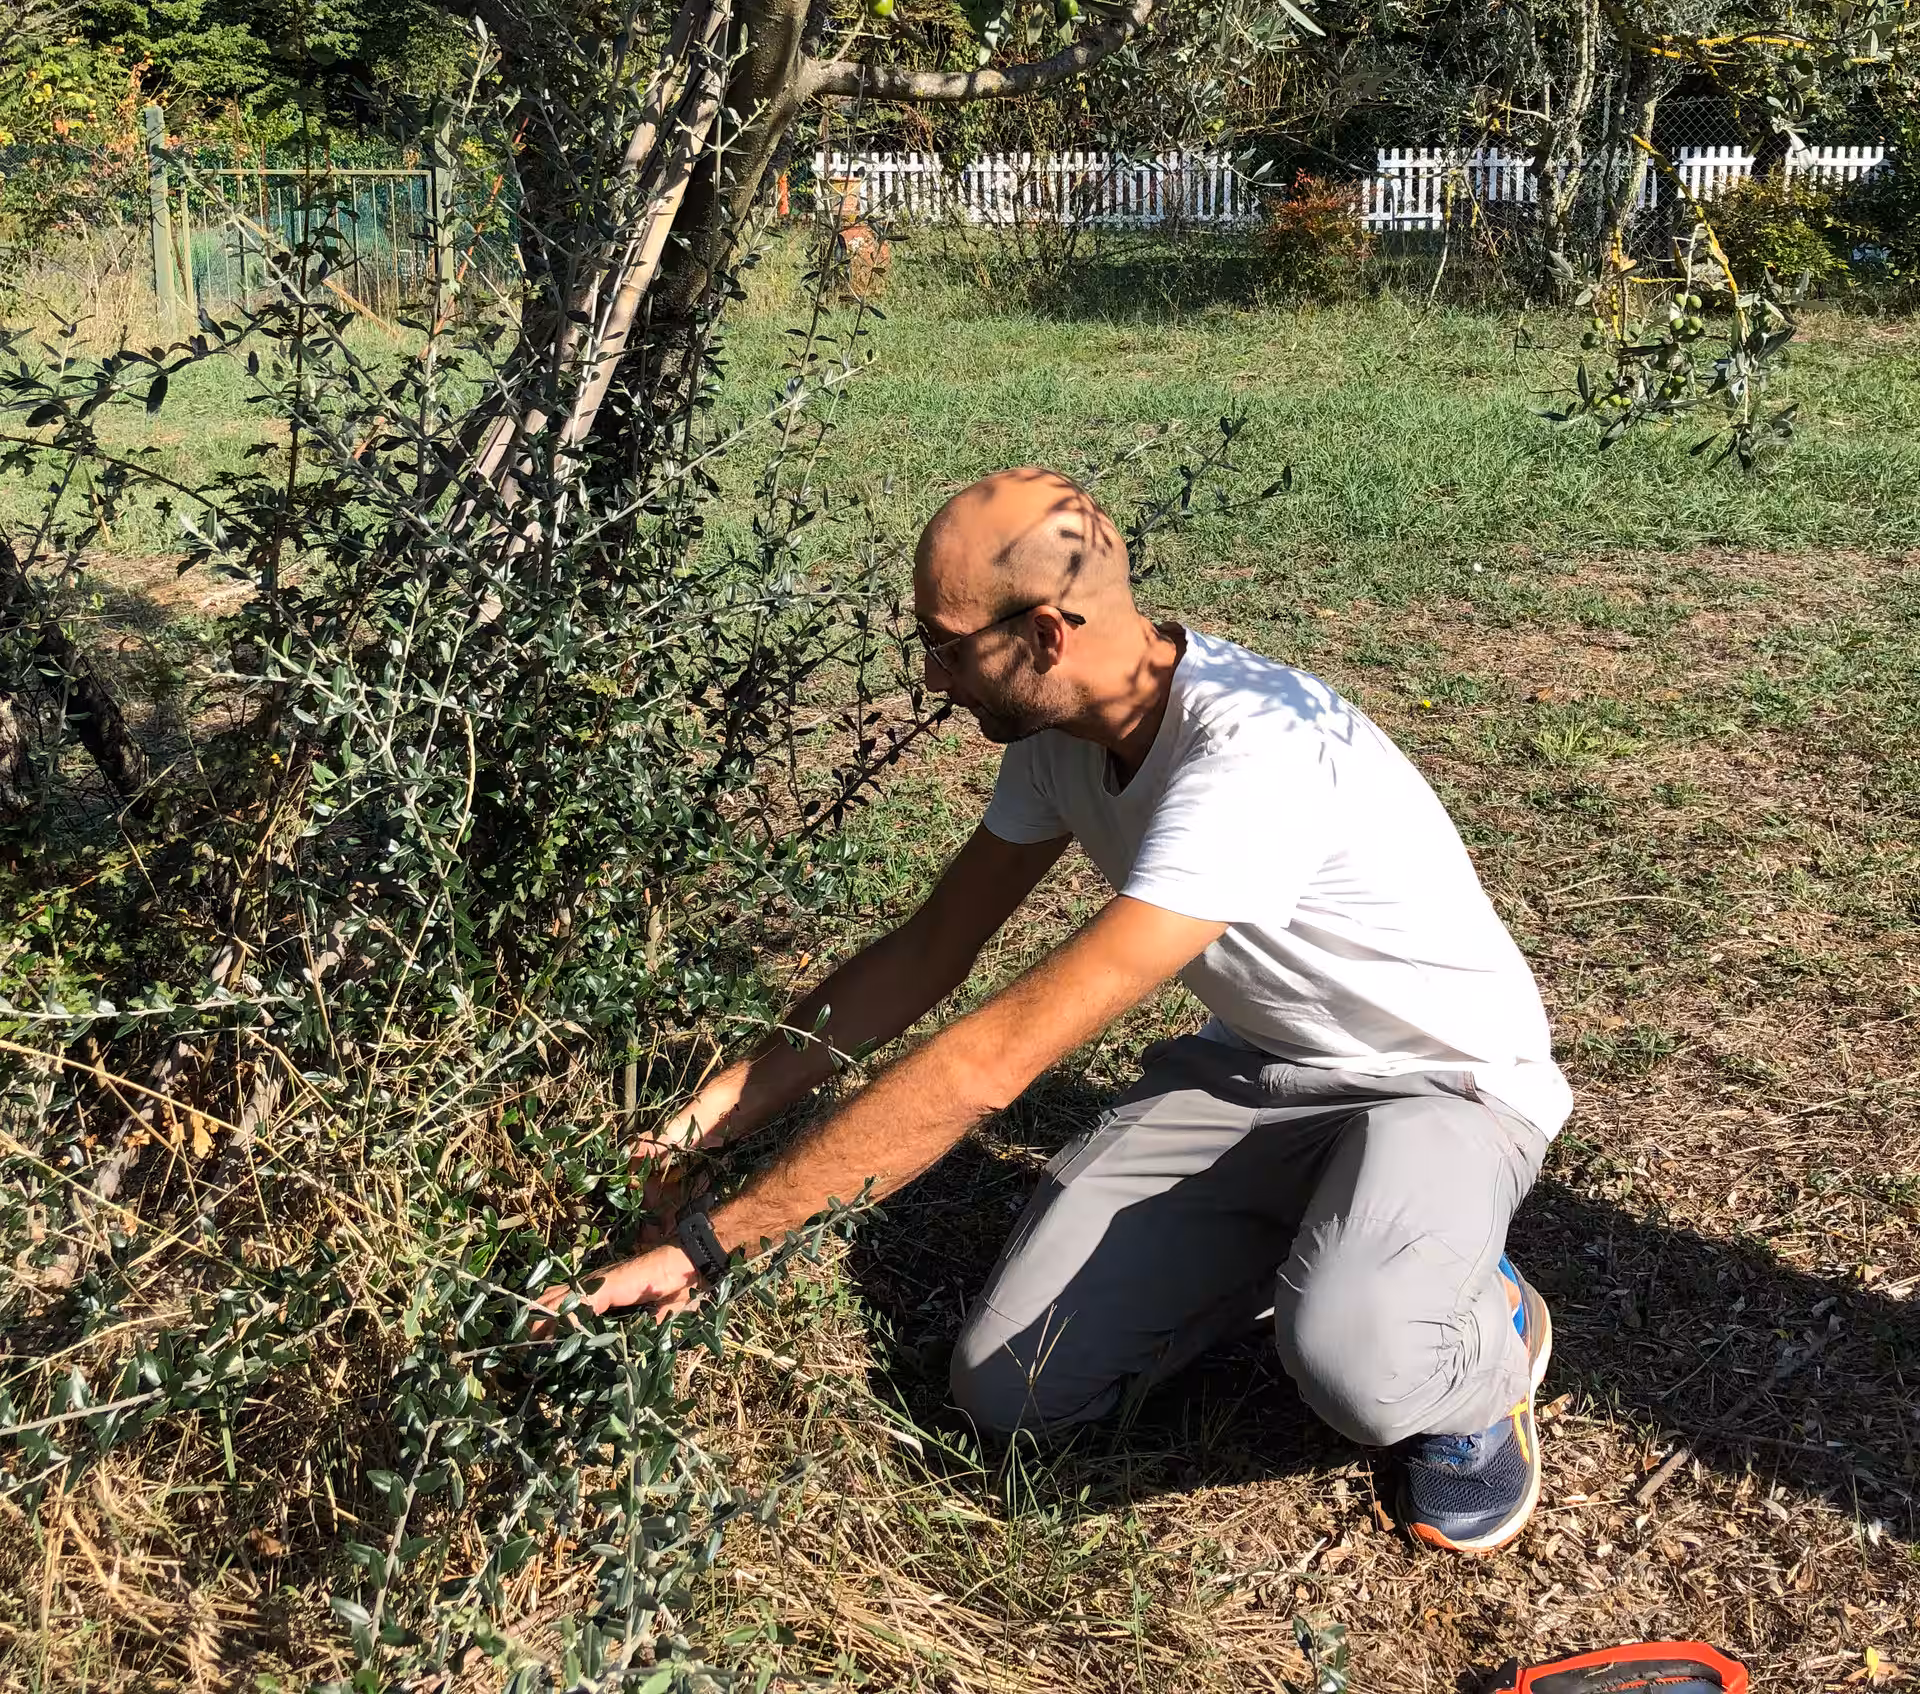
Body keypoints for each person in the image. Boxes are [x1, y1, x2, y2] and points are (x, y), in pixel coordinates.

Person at [535, 469, 1570, 1556]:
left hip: (1445, 1086)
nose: (932, 679)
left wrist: (714, 1242)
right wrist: (705, 1119)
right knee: (1012, 1389)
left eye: (943, 644)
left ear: (1044, 633)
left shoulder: (1252, 761)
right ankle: (1343, 1239)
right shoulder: (1061, 735)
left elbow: (991, 1064)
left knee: (1361, 1357)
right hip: (1257, 1068)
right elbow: (929, 951)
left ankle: (1482, 1347)